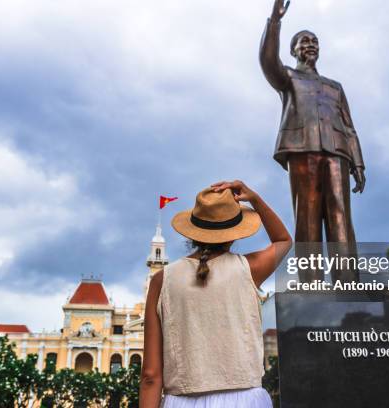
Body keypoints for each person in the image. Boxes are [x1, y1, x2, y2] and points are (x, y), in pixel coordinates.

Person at [139, 180, 292, 408]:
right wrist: (255, 199)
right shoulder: (249, 268)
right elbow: (283, 240)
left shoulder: (161, 280)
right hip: (244, 400)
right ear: (234, 234)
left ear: (193, 232)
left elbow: (150, 375)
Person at [260, 0, 365, 282]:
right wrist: (275, 21)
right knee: (306, 217)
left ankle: (348, 282)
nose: (311, 45)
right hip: (302, 149)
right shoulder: (288, 78)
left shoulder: (334, 87)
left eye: (315, 41)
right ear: (293, 50)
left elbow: (350, 127)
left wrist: (359, 163)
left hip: (337, 153)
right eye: (304, 41)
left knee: (341, 217)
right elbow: (268, 62)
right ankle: (311, 283)